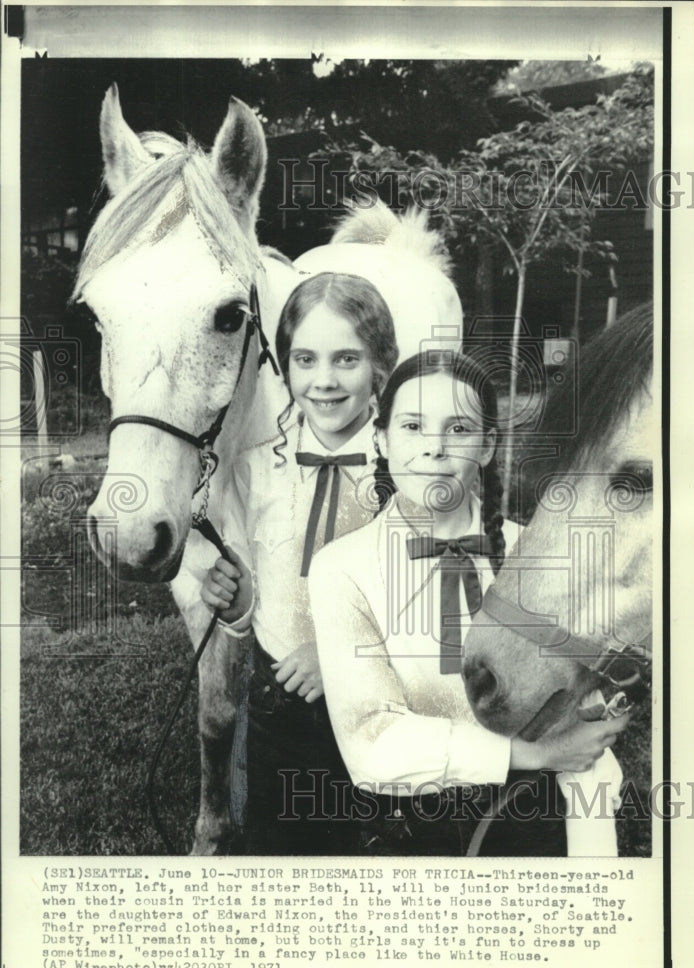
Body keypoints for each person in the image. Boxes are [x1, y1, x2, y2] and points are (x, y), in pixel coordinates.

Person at [308, 350, 629, 856]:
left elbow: (584, 742)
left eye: (458, 429)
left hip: (541, 828)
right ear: (381, 438)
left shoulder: (536, 556)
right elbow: (372, 743)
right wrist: (533, 752)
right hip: (415, 836)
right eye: (413, 426)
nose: (434, 449)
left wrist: (593, 870)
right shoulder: (341, 568)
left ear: (487, 446)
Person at [200, 271, 398, 855]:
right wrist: (237, 604)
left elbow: (429, 606)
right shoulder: (254, 471)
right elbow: (256, 599)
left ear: (381, 366)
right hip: (278, 712)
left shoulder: (410, 473)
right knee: (278, 849)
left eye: (347, 359)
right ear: (283, 368)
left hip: (380, 710)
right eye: (305, 359)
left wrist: (339, 655)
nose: (325, 380)